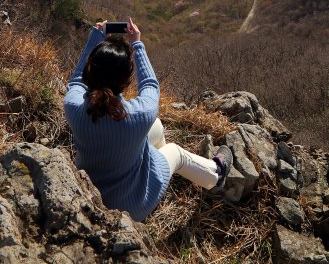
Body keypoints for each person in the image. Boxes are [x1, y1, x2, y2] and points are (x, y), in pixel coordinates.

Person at [64, 17, 231, 222]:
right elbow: (151, 85)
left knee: (157, 127)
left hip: (90, 195)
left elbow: (76, 82)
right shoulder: (138, 115)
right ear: (126, 80)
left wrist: (95, 39)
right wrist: (137, 43)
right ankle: (216, 175)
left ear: (90, 71)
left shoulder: (74, 108)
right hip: (131, 208)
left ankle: (153, 164)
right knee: (176, 153)